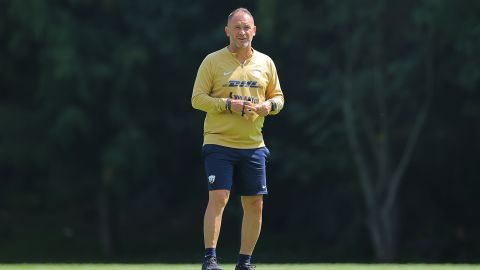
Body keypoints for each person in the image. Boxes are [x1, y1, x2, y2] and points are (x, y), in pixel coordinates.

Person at [191, 7, 284, 270]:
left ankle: (245, 262)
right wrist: (227, 104)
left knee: (255, 203)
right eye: (237, 28)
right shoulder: (212, 61)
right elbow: (197, 99)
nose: (242, 32)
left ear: (254, 31)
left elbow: (278, 97)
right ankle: (210, 259)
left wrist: (270, 107)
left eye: (247, 28)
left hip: (254, 143)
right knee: (219, 196)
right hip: (219, 141)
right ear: (227, 31)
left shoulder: (265, 62)